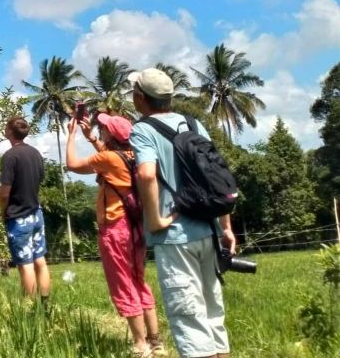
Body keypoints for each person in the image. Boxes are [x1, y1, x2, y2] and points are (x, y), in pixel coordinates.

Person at [129, 68, 236, 358]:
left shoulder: (143, 129)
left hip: (176, 236)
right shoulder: (193, 123)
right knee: (214, 317)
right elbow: (215, 172)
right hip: (209, 228)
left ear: (141, 97)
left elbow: (147, 174)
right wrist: (226, 227)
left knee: (190, 322)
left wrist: (154, 220)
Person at [66, 112, 166, 358]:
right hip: (137, 227)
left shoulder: (108, 158)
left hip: (115, 228)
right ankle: (156, 341)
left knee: (123, 284)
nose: (103, 129)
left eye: (105, 128)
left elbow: (72, 165)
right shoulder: (135, 155)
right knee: (138, 280)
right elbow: (112, 158)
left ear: (111, 134)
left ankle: (141, 345)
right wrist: (91, 138)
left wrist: (71, 136)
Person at [0, 116, 51, 302]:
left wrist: (3, 211)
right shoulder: (35, 154)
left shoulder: (10, 156)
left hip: (18, 217)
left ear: (10, 132)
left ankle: (29, 307)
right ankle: (45, 304)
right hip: (36, 214)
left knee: (25, 264)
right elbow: (40, 179)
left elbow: (5, 193)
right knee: (40, 261)